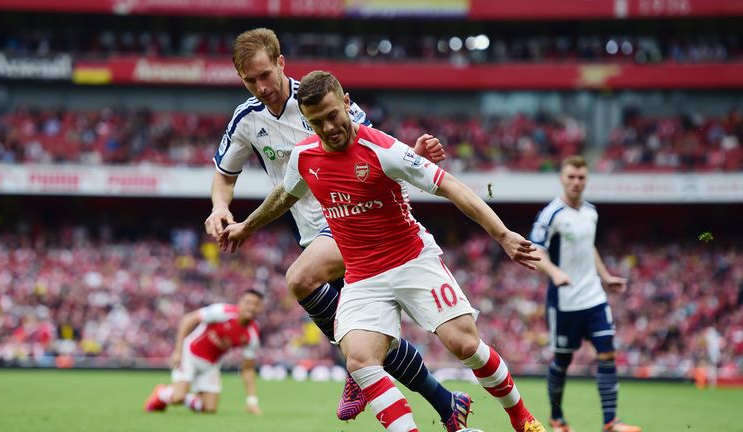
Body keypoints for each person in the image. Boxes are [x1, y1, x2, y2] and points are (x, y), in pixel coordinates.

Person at [220, 70, 547, 432]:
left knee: (464, 344)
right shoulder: (304, 157)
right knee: (360, 361)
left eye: (332, 115)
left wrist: (502, 235)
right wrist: (246, 226)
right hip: (363, 277)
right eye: (316, 122)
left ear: (346, 103)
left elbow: (450, 186)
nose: (328, 128)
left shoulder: (382, 148)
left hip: (411, 260)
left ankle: (523, 419)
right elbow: (284, 194)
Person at [205, 28, 472, 430]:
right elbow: (224, 175)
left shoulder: (318, 99)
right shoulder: (247, 120)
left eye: (265, 74)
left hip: (356, 218)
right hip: (312, 233)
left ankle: (360, 368)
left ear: (281, 63)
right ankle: (445, 402)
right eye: (249, 80)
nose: (261, 87)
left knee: (300, 279)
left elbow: (371, 142)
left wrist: (410, 156)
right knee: (367, 350)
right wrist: (220, 207)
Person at [528, 155, 641, 432]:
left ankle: (610, 421)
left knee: (607, 354)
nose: (576, 182)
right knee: (563, 361)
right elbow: (535, 250)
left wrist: (605, 277)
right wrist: (555, 273)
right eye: (571, 177)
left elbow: (589, 247)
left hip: (594, 298)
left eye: (581, 177)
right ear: (562, 178)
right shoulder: (551, 214)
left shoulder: (591, 212)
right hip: (565, 302)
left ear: (586, 179)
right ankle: (557, 418)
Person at [143, 289, 264, 415]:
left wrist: (252, 401)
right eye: (248, 303)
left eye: (256, 305)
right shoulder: (222, 312)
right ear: (240, 303)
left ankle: (185, 398)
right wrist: (178, 351)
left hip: (211, 365)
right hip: (190, 355)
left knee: (209, 409)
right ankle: (161, 393)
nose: (251, 307)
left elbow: (248, 368)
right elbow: (188, 319)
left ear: (260, 308)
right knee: (178, 398)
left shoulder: (253, 333)